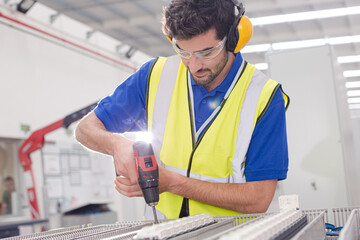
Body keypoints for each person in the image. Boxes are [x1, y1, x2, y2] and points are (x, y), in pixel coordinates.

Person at [75, 0, 289, 220]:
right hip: (162, 232)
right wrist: (116, 145)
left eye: (207, 52)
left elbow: (258, 199)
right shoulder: (155, 76)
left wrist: (173, 184)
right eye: (183, 51)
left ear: (233, 39)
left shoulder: (264, 96)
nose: (194, 65)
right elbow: (85, 129)